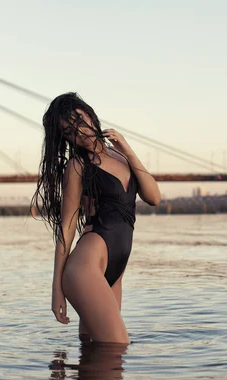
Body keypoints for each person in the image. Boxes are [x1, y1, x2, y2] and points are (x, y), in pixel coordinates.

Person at [31, 92, 161, 344]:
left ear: (90, 114)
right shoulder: (78, 166)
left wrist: (127, 148)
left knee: (95, 353)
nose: (78, 132)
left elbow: (154, 197)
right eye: (69, 132)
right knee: (117, 347)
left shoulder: (122, 157)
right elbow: (66, 227)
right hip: (85, 267)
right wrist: (57, 289)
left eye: (79, 120)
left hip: (115, 269)